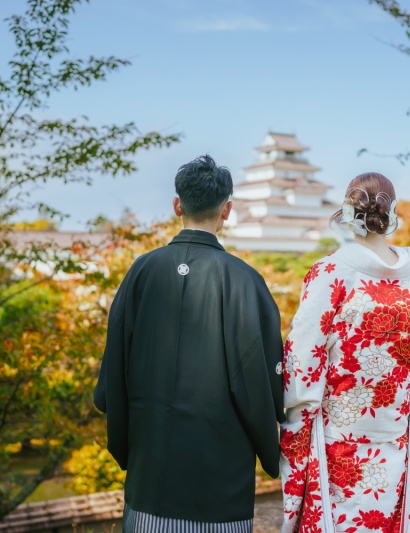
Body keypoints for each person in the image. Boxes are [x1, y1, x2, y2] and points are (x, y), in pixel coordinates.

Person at [93, 155, 285, 533]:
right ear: (227, 210)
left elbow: (114, 368)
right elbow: (261, 382)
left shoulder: (142, 270)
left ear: (177, 205)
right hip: (221, 480)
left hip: (151, 472)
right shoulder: (245, 281)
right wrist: (271, 443)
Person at [280, 172, 410, 533]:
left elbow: (303, 352)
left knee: (347, 517)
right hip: (403, 418)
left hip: (341, 422)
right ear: (391, 212)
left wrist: (298, 403)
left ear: (348, 211)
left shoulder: (330, 270)